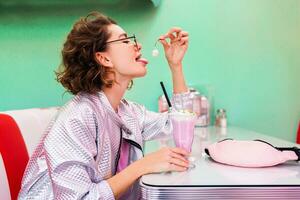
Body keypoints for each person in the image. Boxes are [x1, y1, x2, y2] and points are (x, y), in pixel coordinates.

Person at [19, 11, 192, 200]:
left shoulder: (128, 112)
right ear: (104, 58)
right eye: (125, 40)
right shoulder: (76, 118)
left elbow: (179, 123)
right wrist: (143, 165)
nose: (137, 45)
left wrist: (176, 66)